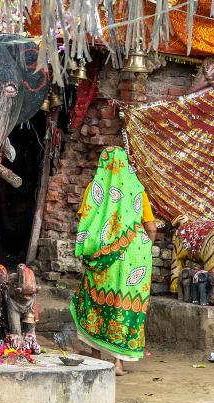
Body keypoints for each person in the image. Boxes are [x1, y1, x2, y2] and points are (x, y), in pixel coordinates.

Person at [70, 147, 157, 376]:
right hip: (135, 253)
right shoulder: (137, 189)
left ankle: (96, 356)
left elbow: (85, 220)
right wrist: (143, 247)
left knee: (95, 299)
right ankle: (118, 364)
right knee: (124, 302)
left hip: (103, 253)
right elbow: (151, 227)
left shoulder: (94, 187)